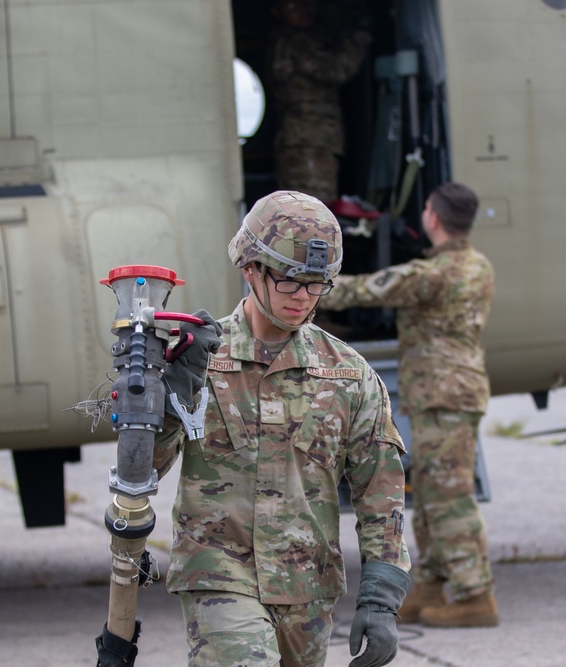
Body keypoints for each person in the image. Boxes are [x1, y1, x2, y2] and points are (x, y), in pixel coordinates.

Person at [154, 190, 411, 667]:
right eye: (290, 281)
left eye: (317, 285)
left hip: (307, 586)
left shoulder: (348, 374)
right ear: (250, 269)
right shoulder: (199, 358)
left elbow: (380, 491)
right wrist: (172, 393)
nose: (303, 298)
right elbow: (148, 466)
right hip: (219, 573)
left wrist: (381, 598)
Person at [321, 182, 498, 628]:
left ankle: (475, 594)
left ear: (433, 218)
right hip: (453, 393)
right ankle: (432, 584)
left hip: (442, 395)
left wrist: (302, 284)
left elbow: (365, 289)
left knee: (449, 496)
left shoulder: (430, 274)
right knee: (433, 490)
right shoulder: (479, 265)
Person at [267, 0, 371, 204]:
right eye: (293, 5)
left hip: (310, 140)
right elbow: (334, 70)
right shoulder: (295, 43)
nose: (304, 9)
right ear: (276, 12)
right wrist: (360, 38)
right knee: (314, 207)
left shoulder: (298, 38)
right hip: (308, 143)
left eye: (308, 2)